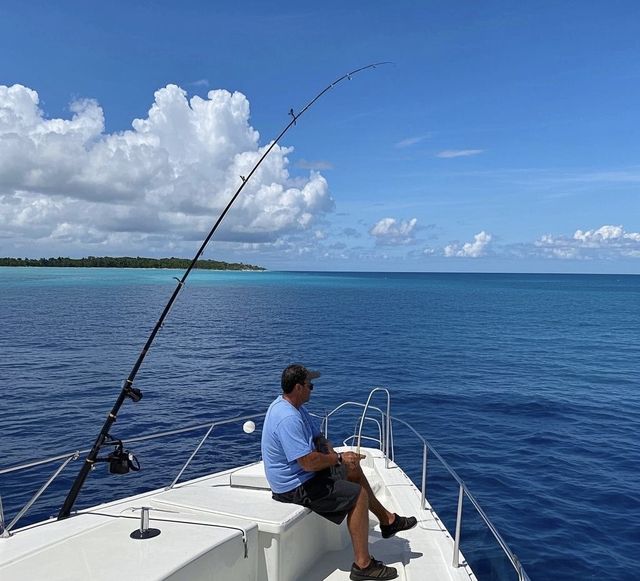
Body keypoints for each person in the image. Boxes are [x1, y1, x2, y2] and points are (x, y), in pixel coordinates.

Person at [261, 364, 417, 581]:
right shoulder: (287, 418)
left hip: (305, 475)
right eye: (310, 385)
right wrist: (339, 458)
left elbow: (319, 437)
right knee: (357, 495)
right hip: (293, 486)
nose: (312, 389)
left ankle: (388, 521)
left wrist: (333, 454)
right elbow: (307, 462)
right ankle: (363, 565)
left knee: (353, 468)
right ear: (298, 388)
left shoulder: (296, 408)